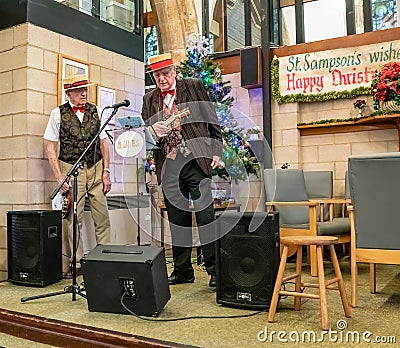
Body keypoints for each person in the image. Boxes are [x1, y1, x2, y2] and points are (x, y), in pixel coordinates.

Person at [142, 53, 222, 288]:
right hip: (169, 165)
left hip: (196, 161)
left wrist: (216, 150)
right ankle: (183, 270)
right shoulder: (149, 99)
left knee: (206, 218)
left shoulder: (193, 86)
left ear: (174, 72)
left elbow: (212, 120)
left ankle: (215, 271)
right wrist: (152, 130)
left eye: (166, 73)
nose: (162, 79)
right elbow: (145, 134)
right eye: (157, 75)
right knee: (178, 220)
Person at [44, 74, 111, 279]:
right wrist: (59, 177)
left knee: (102, 215)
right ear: (69, 93)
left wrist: (106, 171)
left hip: (96, 167)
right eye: (79, 90)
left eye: (85, 89)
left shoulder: (97, 111)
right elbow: (50, 147)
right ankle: (77, 262)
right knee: (73, 218)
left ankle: (106, 258)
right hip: (72, 168)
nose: (84, 93)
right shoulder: (58, 114)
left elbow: (103, 143)